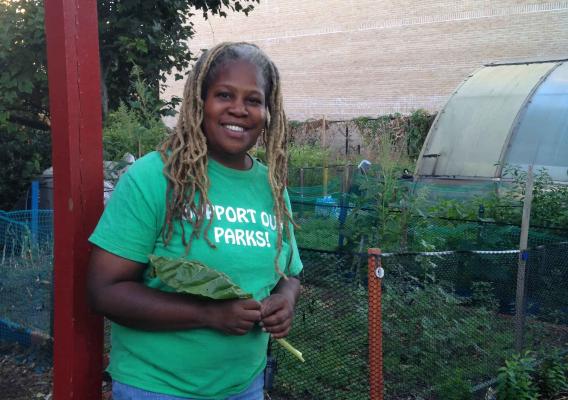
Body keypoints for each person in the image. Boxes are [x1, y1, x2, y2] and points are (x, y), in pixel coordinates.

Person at [87, 42, 303, 400]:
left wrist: (286, 299)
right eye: (224, 95)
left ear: (268, 111)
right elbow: (104, 291)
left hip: (244, 386)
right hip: (157, 388)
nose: (239, 109)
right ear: (199, 102)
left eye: (254, 100)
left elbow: (290, 273)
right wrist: (209, 315)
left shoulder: (272, 188)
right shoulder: (154, 177)